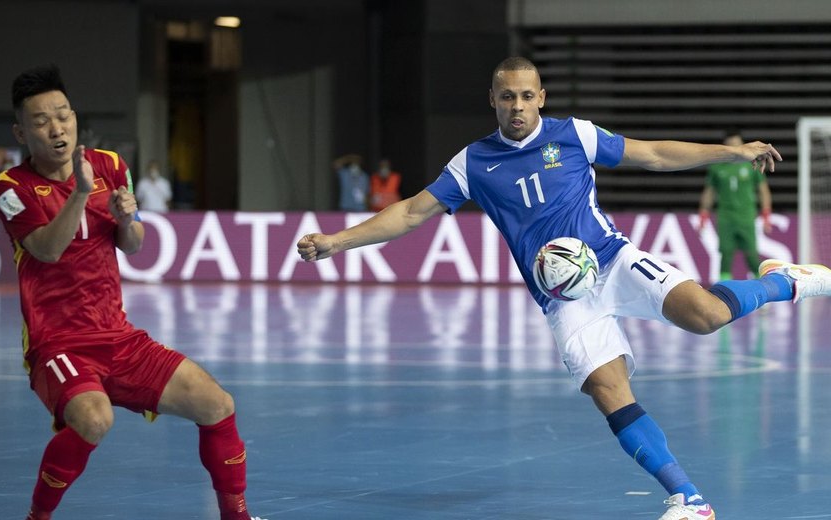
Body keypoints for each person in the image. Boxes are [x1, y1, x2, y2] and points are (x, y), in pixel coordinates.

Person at [298, 56, 831, 519]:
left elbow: (652, 154)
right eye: (507, 96)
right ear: (492, 100)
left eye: (527, 96)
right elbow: (413, 212)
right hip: (562, 296)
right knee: (609, 392)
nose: (518, 106)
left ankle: (784, 280)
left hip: (612, 260)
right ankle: (689, 499)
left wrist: (731, 152)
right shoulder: (473, 163)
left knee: (706, 316)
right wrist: (339, 241)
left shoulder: (571, 134)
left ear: (541, 98)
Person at [0, 65, 264, 520]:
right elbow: (46, 250)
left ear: (75, 117)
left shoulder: (112, 165)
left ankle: (236, 517)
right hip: (57, 343)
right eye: (41, 120)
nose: (56, 127)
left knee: (217, 404)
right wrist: (80, 192)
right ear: (21, 131)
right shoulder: (10, 188)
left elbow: (133, 246)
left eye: (63, 115)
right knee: (94, 419)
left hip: (117, 336)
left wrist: (125, 219)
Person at [698, 130, 773, 280]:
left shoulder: (753, 165)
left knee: (751, 254)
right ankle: (724, 290)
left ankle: (764, 286)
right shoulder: (717, 167)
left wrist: (766, 216)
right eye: (731, 146)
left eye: (738, 145)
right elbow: (709, 193)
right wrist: (703, 216)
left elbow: (763, 190)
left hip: (746, 216)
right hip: (725, 217)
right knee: (725, 254)